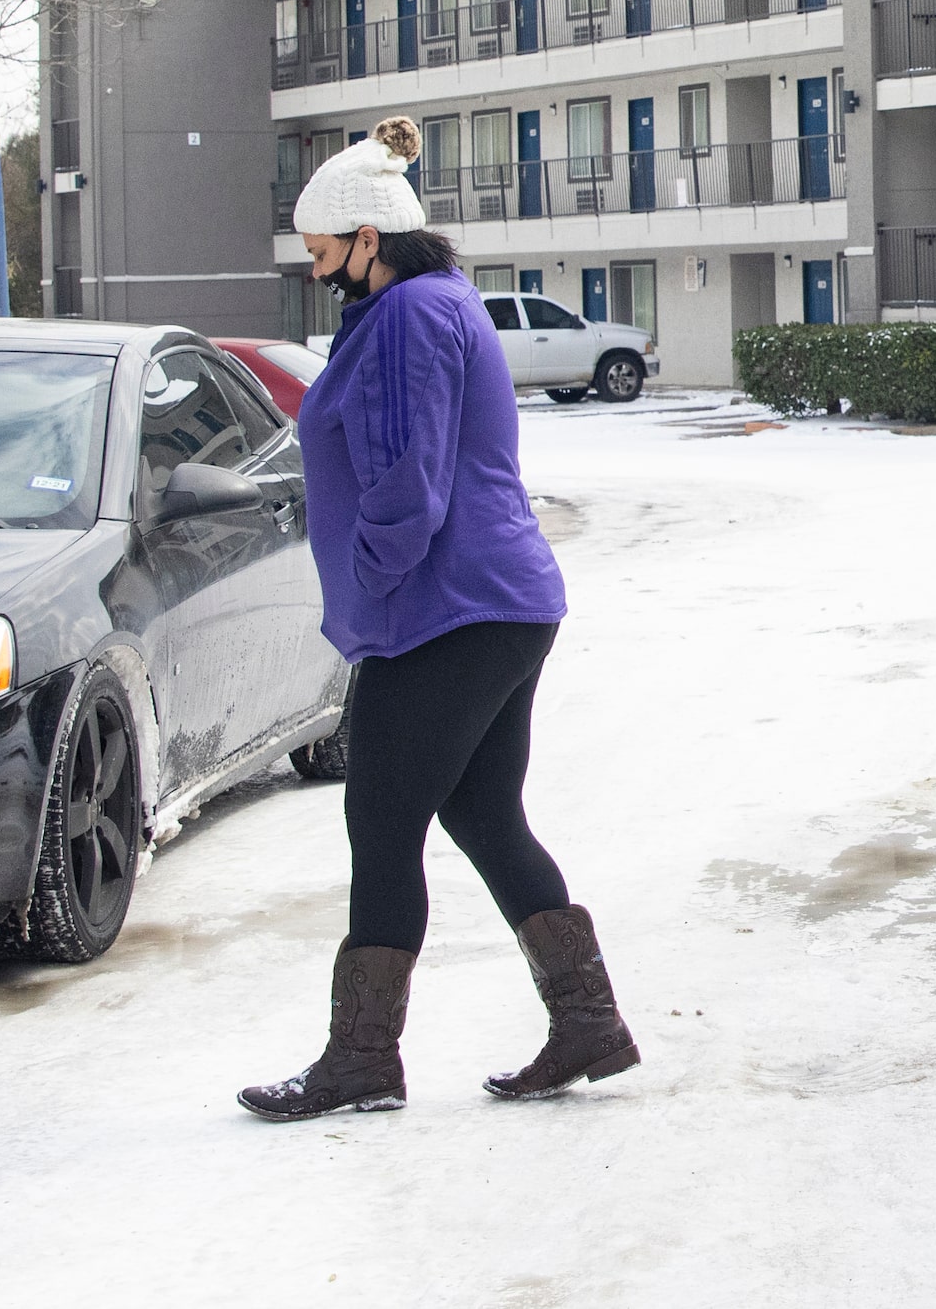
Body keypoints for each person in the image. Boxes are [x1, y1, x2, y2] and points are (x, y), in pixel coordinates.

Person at [238, 116, 638, 1122]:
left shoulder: (412, 314)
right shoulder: (424, 304)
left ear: (369, 239)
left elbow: (406, 478)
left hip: (447, 607)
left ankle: (360, 1060)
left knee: (381, 820)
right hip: (492, 601)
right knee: (482, 813)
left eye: (325, 251)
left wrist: (368, 585)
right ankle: (586, 1023)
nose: (317, 269)